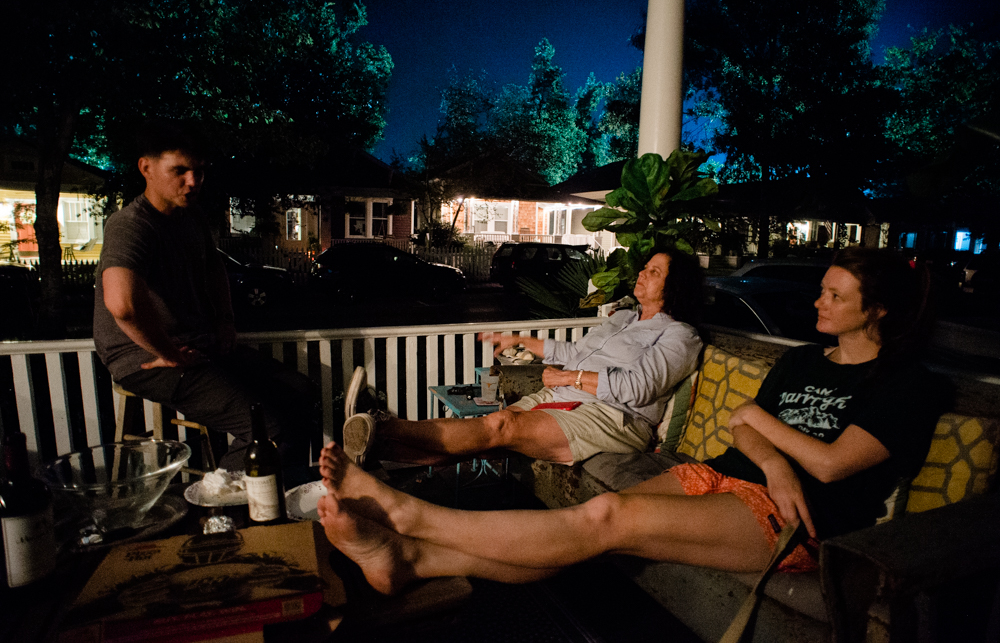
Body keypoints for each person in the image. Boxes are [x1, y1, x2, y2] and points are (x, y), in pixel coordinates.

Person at [316, 247, 947, 594]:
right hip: (725, 476)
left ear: (881, 313)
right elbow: (742, 425)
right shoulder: (807, 360)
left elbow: (833, 463)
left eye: (835, 296)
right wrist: (773, 450)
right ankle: (411, 559)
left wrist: (760, 428)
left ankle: (406, 516)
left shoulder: (905, 386)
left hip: (799, 517)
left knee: (601, 517)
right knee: (579, 530)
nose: (817, 301)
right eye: (823, 289)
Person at [93, 119, 319, 479]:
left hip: (197, 344)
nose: (193, 182)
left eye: (199, 171)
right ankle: (217, 511)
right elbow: (121, 304)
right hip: (145, 357)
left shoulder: (191, 218)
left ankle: (287, 496)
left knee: (299, 391)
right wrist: (167, 353)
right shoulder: (131, 224)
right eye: (179, 171)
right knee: (270, 430)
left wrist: (225, 320)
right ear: (146, 167)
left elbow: (214, 270)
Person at [342, 247, 704, 467]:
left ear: (673, 287)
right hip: (566, 398)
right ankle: (381, 449)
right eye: (645, 267)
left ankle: (380, 423)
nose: (642, 273)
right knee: (487, 436)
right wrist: (521, 341)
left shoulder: (680, 335)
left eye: (654, 272)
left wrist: (567, 378)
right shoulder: (623, 317)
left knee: (501, 427)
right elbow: (577, 353)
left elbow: (638, 387)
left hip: (612, 417)